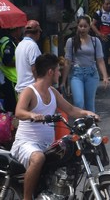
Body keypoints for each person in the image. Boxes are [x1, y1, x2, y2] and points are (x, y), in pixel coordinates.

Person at [12, 53, 99, 200]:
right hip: (26, 144)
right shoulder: (29, 91)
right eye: (58, 70)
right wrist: (32, 115)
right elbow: (19, 112)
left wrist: (88, 113)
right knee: (38, 158)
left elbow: (71, 110)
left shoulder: (53, 92)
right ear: (50, 72)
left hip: (46, 145)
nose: (60, 73)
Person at [62, 16, 109, 112]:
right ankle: (81, 124)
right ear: (77, 27)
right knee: (79, 102)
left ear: (89, 27)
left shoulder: (95, 41)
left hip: (91, 74)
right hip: (76, 74)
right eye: (80, 26)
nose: (82, 28)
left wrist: (105, 76)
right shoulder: (71, 41)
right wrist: (63, 81)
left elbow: (100, 60)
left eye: (85, 26)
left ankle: (91, 125)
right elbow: (67, 61)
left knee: (89, 104)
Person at [15, 21, 42, 95]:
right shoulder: (32, 46)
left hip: (21, 89)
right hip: (31, 90)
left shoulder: (20, 45)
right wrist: (40, 86)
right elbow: (35, 68)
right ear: (37, 33)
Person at [0, 25, 24, 109]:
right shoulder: (8, 43)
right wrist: (22, 61)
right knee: (15, 105)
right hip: (11, 77)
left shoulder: (7, 40)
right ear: (17, 29)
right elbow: (7, 62)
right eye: (21, 29)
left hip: (7, 77)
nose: (21, 31)